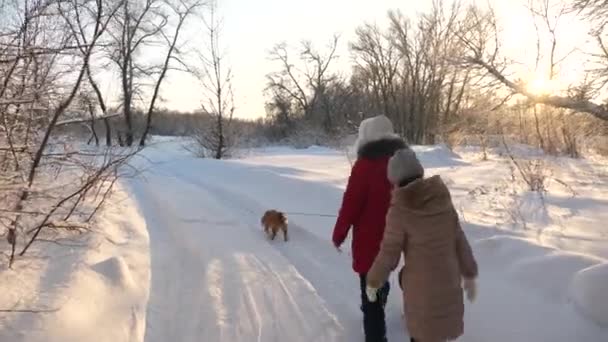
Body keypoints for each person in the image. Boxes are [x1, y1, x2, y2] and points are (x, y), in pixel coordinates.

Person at [365, 148, 479, 342]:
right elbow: (459, 238)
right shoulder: (442, 198)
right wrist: (469, 271)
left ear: (396, 179)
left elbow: (389, 252)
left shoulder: (400, 208)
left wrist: (373, 281)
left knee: (423, 335)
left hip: (422, 293)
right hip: (449, 282)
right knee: (439, 335)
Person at [332, 115, 407, 342]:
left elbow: (351, 203)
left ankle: (376, 335)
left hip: (370, 241)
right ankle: (379, 301)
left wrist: (339, 233)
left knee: (371, 294)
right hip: (396, 238)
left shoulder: (365, 166)